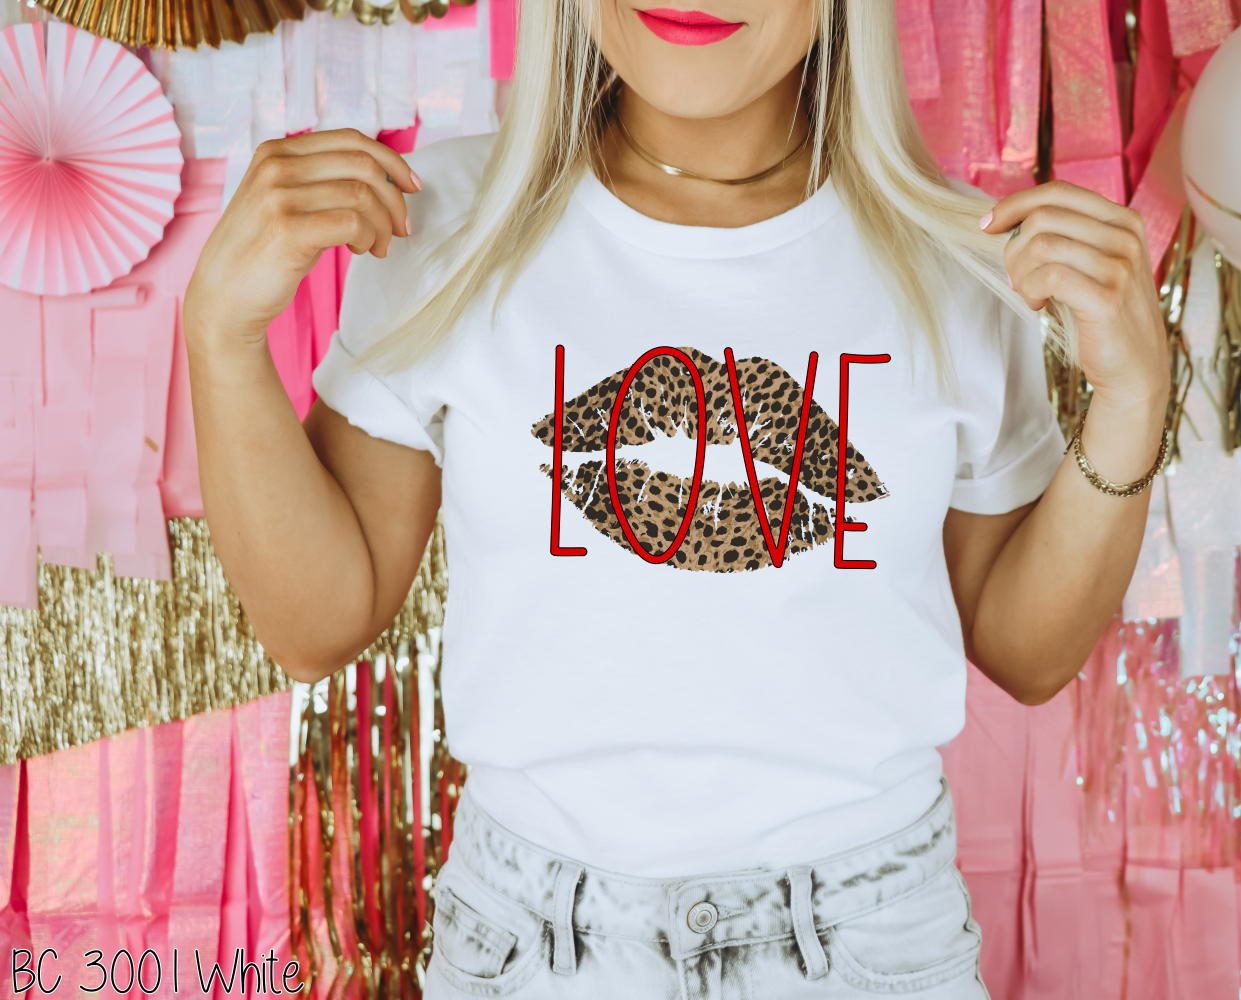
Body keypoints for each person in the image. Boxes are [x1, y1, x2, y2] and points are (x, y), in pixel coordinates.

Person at [184, 1, 1169, 996]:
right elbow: (315, 626)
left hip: (868, 947)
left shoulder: (958, 256)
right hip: (532, 952)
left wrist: (1133, 398)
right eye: (652, 454)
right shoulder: (447, 223)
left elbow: (1025, 651)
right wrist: (220, 332)